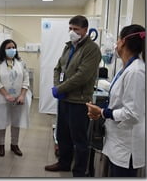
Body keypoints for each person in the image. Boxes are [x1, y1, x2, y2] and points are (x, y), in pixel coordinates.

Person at [44, 15, 101, 177]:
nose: (72, 32)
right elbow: (58, 68)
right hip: (65, 99)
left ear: (85, 30)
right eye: (70, 28)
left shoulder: (92, 49)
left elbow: (82, 75)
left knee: (79, 140)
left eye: (76, 29)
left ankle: (79, 172)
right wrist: (57, 87)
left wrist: (60, 88)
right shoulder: (69, 46)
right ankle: (64, 163)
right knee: (63, 135)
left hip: (79, 101)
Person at [86, 24, 145, 177]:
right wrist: (100, 112)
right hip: (117, 141)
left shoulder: (136, 71)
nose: (116, 44)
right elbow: (119, 102)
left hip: (126, 147)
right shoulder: (125, 68)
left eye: (118, 39)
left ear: (123, 42)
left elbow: (132, 113)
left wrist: (103, 112)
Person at [0, 39, 32, 157]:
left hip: (18, 98)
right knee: (1, 122)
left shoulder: (21, 62)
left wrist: (22, 95)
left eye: (13, 47)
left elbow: (26, 79)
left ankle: (14, 145)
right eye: (8, 47)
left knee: (16, 122)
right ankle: (1, 145)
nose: (12, 49)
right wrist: (6, 95)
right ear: (3, 49)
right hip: (2, 98)